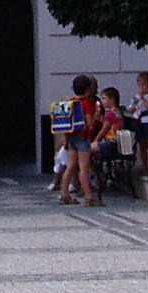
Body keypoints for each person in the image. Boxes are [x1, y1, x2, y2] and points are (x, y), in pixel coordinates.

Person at [57, 73, 100, 206]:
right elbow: (90, 124)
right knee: (83, 168)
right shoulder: (86, 103)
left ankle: (64, 194)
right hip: (83, 138)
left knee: (70, 166)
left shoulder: (71, 102)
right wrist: (96, 114)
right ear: (88, 89)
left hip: (72, 137)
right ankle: (89, 197)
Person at [129, 70, 148, 175]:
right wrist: (134, 104)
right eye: (140, 85)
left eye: (144, 85)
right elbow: (131, 108)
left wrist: (143, 99)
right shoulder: (137, 97)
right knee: (142, 145)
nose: (141, 87)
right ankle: (144, 165)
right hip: (139, 122)